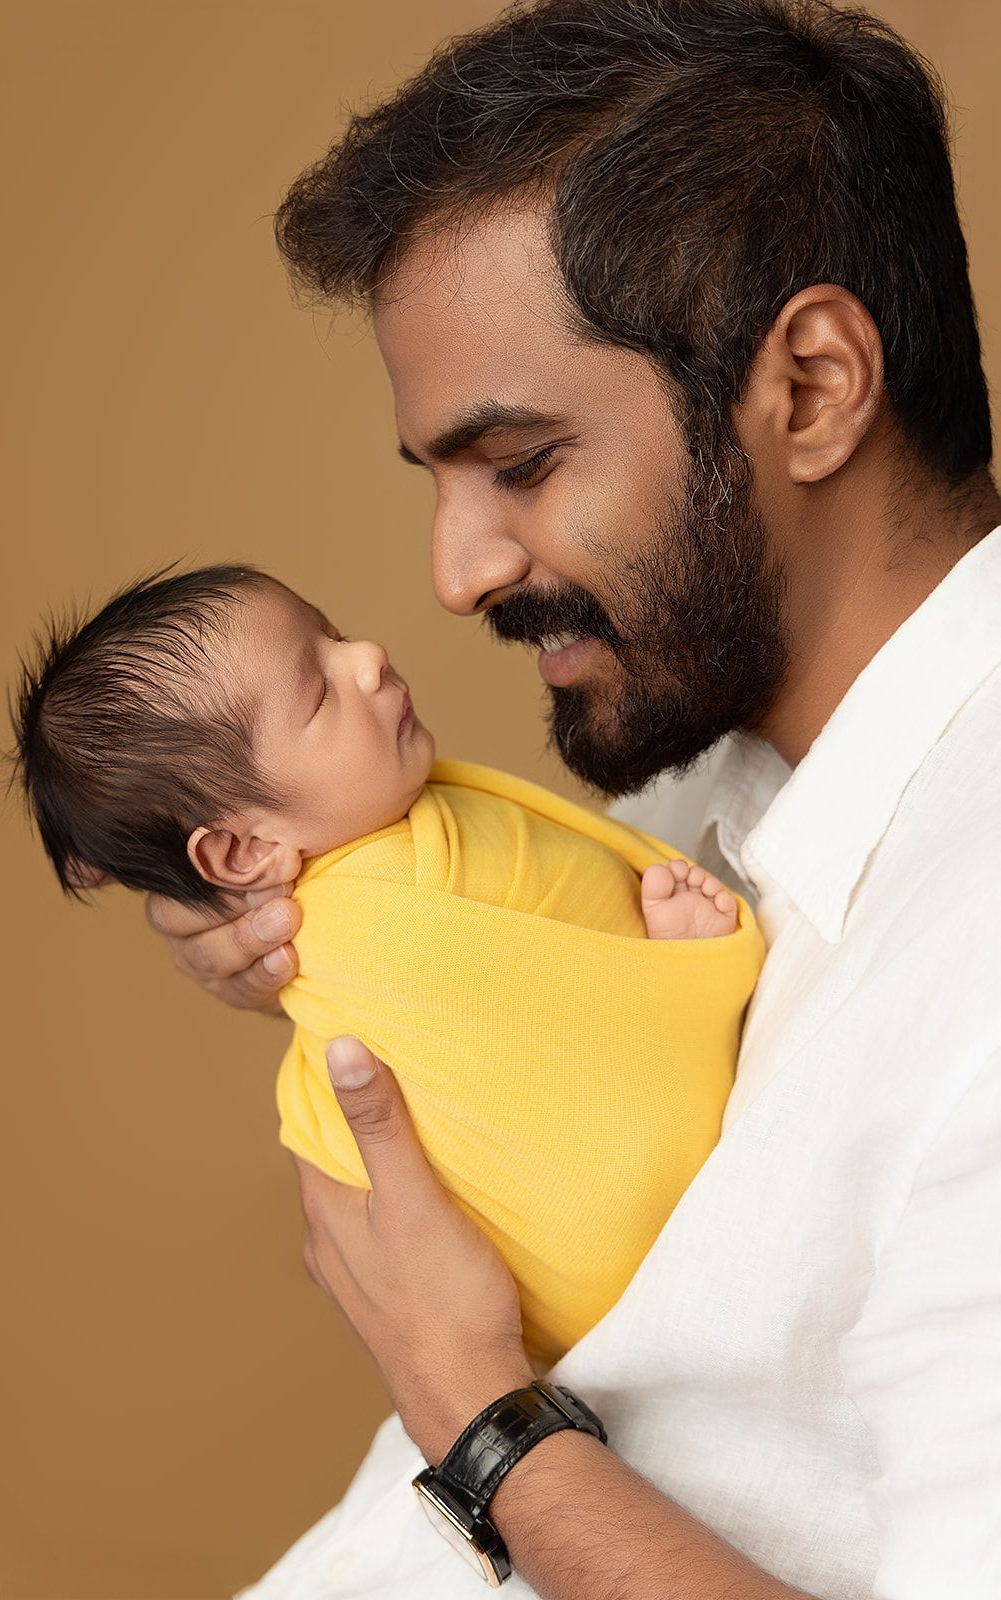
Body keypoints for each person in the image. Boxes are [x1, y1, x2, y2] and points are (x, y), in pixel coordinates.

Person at [141, 1, 1001, 1595]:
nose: (453, 575)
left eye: (521, 463)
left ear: (809, 388)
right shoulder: (701, 786)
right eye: (439, 481)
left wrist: (475, 1421)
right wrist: (284, 919)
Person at [10, 562, 761, 1370]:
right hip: (613, 1250)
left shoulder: (392, 833)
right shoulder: (379, 929)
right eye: (319, 692)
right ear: (244, 850)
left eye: (332, 635)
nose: (366, 656)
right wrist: (682, 986)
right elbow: (537, 1045)